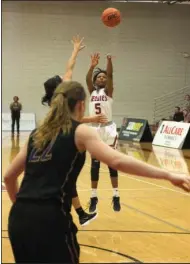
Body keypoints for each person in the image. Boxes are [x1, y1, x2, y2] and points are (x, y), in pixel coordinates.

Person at [4, 80, 190, 263]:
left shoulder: (37, 133)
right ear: (81, 105)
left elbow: (9, 176)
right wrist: (168, 174)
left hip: (18, 219)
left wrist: (23, 207)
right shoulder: (80, 131)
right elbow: (117, 160)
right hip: (50, 219)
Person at [42, 36, 107, 226]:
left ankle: (79, 213)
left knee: (66, 180)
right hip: (69, 142)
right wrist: (75, 51)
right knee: (67, 181)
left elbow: (69, 69)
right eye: (61, 79)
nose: (64, 77)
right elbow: (69, 69)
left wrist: (76, 51)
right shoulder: (62, 96)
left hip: (59, 141)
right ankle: (69, 215)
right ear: (59, 85)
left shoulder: (56, 100)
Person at [86, 53, 120, 213]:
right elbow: (87, 80)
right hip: (94, 129)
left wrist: (108, 61)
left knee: (112, 163)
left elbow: (111, 75)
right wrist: (92, 66)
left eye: (104, 77)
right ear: (95, 81)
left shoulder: (109, 92)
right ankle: (93, 196)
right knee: (95, 164)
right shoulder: (92, 91)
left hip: (108, 129)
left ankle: (116, 195)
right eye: (99, 77)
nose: (102, 78)